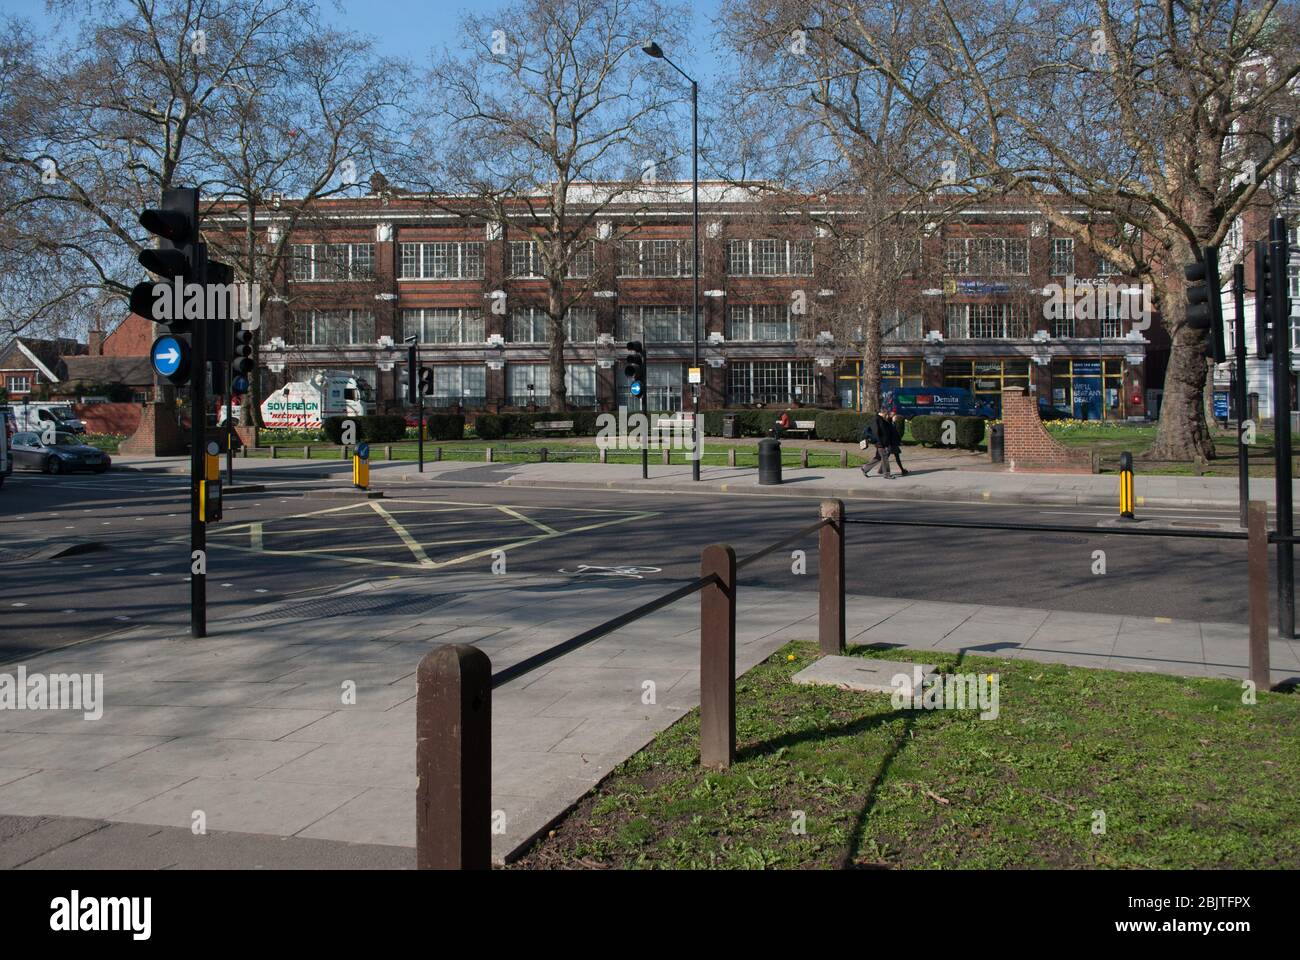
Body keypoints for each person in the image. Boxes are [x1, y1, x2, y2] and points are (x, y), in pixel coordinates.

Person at [860, 409, 894, 478]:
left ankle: (865, 468)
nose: (887, 416)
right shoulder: (876, 419)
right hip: (880, 443)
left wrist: (889, 419)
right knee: (884, 457)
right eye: (886, 414)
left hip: (882, 443)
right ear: (883, 413)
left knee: (878, 457)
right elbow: (876, 433)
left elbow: (887, 428)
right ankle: (887, 474)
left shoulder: (882, 419)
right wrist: (880, 443)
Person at [887, 409, 909, 476]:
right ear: (890, 416)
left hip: (893, 443)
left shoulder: (893, 423)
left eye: (895, 415)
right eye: (894, 415)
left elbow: (895, 434)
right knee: (885, 458)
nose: (895, 417)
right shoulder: (889, 423)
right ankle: (867, 468)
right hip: (891, 443)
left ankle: (902, 470)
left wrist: (899, 441)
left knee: (895, 458)